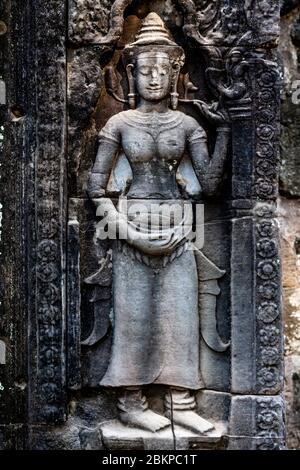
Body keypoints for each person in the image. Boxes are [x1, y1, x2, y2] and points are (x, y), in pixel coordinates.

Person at [87, 12, 230, 434]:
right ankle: (130, 401)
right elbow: (97, 188)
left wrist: (222, 132)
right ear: (132, 74)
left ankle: (181, 402)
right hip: (129, 228)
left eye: (162, 70)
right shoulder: (119, 124)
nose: (153, 78)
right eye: (145, 70)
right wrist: (126, 232)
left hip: (180, 227)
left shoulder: (187, 125)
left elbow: (207, 183)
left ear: (175, 74)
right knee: (132, 318)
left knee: (179, 317)